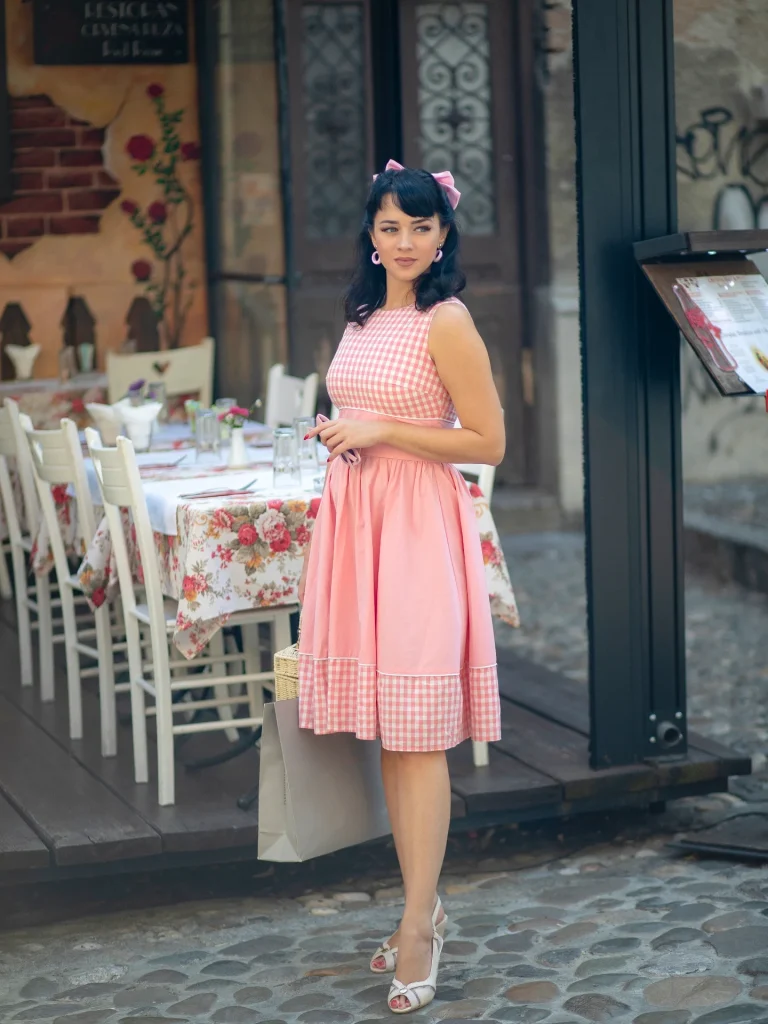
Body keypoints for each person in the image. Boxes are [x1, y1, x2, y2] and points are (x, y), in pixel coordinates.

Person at [298, 159, 504, 1015]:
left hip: (419, 532)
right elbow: (364, 403)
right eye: (391, 226)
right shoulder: (359, 315)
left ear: (444, 234)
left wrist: (383, 429)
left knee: (418, 732)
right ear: (372, 236)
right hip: (360, 525)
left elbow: (488, 441)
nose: (407, 241)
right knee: (389, 729)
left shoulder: (446, 319)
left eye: (422, 227)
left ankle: (420, 922)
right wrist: (343, 434)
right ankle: (421, 902)